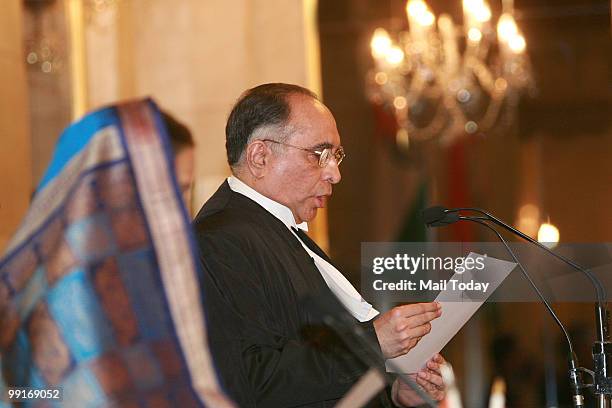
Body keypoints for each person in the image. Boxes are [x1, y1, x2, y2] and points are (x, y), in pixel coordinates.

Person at [193, 83, 445, 407]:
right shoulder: (220, 239)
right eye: (320, 155)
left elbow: (320, 375)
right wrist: (371, 343)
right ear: (260, 157)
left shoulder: (279, 231)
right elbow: (249, 381)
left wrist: (397, 395)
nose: (335, 174)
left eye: (337, 156)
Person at [0, 99, 232, 407]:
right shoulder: (49, 292)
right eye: (169, 194)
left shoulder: (155, 275)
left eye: (184, 192)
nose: (178, 213)